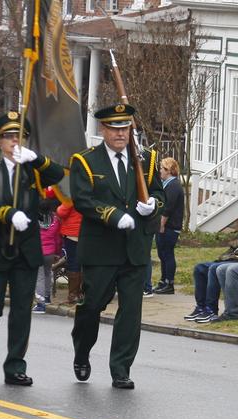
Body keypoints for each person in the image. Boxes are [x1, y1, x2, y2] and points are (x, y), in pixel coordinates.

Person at [69, 103, 166, 389]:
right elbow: (83, 200)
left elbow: (159, 193)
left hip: (135, 247)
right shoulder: (86, 161)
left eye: (125, 128)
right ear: (103, 129)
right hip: (101, 249)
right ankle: (82, 352)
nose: (120, 133)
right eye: (114, 128)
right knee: (92, 305)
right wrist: (113, 215)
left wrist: (153, 206)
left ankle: (120, 368)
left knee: (131, 311)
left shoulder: (146, 160)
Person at [0, 111, 66, 386]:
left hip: (25, 252)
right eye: (9, 136)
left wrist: (38, 159)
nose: (15, 141)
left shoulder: (32, 172)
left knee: (22, 310)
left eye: (19, 136)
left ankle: (15, 366)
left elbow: (58, 174)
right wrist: (7, 213)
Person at [186, 203, 238, 323]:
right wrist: (226, 256)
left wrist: (237, 257)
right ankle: (201, 307)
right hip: (232, 259)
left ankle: (211, 309)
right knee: (200, 268)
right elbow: (234, 247)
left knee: (214, 268)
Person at [151, 157, 183, 295]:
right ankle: (163, 280)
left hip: (170, 226)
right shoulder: (167, 184)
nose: (160, 172)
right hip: (165, 225)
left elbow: (168, 208)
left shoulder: (174, 186)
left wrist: (162, 224)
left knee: (167, 253)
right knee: (162, 253)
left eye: (162, 169)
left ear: (169, 170)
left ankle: (169, 283)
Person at [33, 187, 62, 312]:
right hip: (50, 252)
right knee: (48, 273)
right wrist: (58, 252)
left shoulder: (34, 221)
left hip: (38, 251)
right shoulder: (55, 220)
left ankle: (40, 304)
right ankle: (47, 296)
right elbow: (58, 238)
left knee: (39, 277)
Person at [57, 198, 83, 303]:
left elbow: (61, 212)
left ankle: (73, 295)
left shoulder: (72, 196)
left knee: (73, 263)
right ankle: (82, 293)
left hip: (72, 234)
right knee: (84, 263)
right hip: (86, 234)